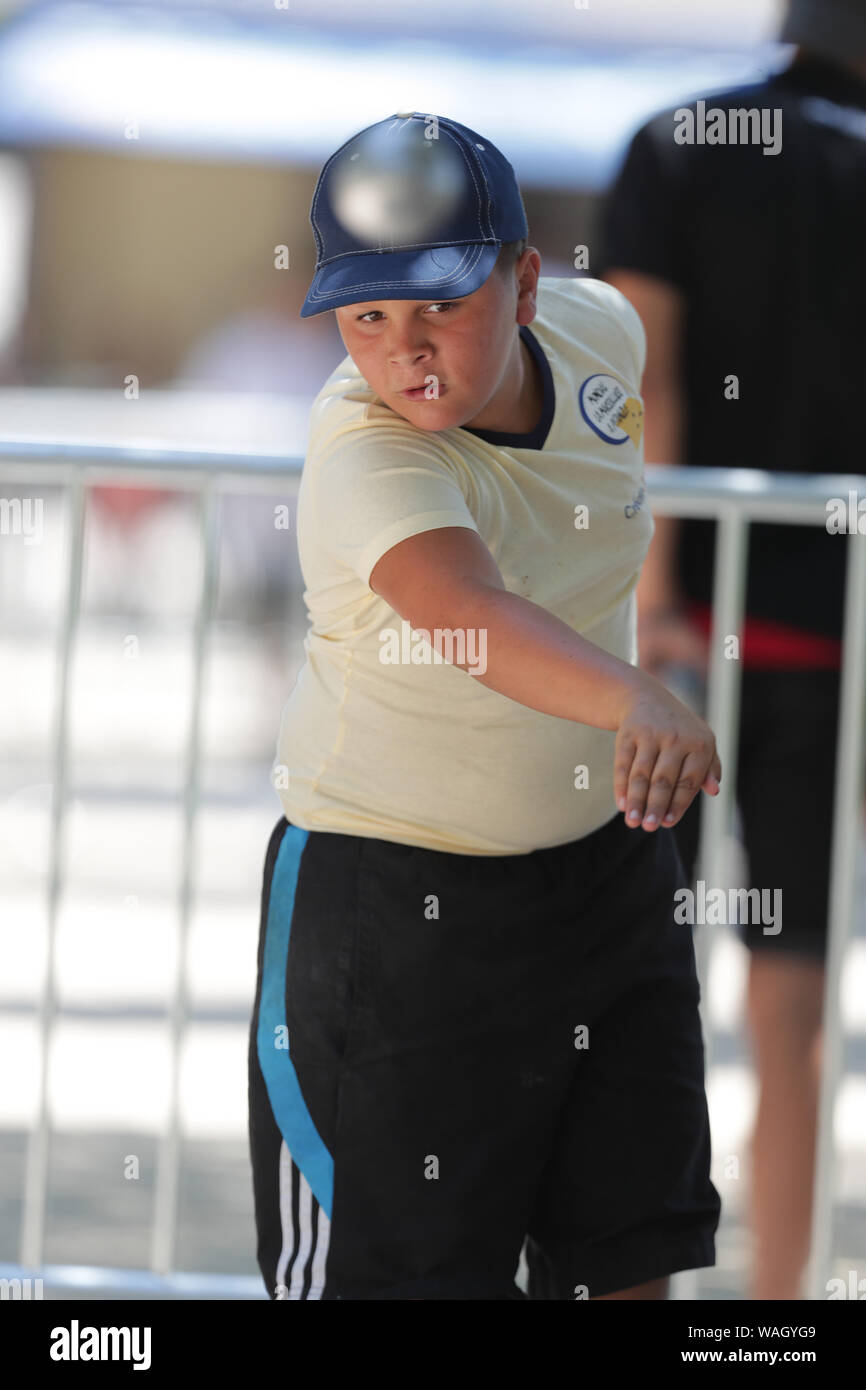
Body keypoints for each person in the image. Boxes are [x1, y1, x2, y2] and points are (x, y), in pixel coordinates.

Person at [247, 111, 722, 1301]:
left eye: (438, 308)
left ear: (521, 282)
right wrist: (634, 697)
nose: (405, 352)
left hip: (606, 871)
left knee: (630, 1253)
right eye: (367, 317)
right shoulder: (363, 448)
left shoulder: (599, 327)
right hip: (396, 913)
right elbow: (464, 617)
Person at [597, 0, 866, 1300]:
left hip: (681, 639)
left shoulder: (676, 142)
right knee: (793, 1003)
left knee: (637, 994)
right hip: (838, 644)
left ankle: (638, 1288)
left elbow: (646, 382)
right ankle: (777, 1312)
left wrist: (654, 616)